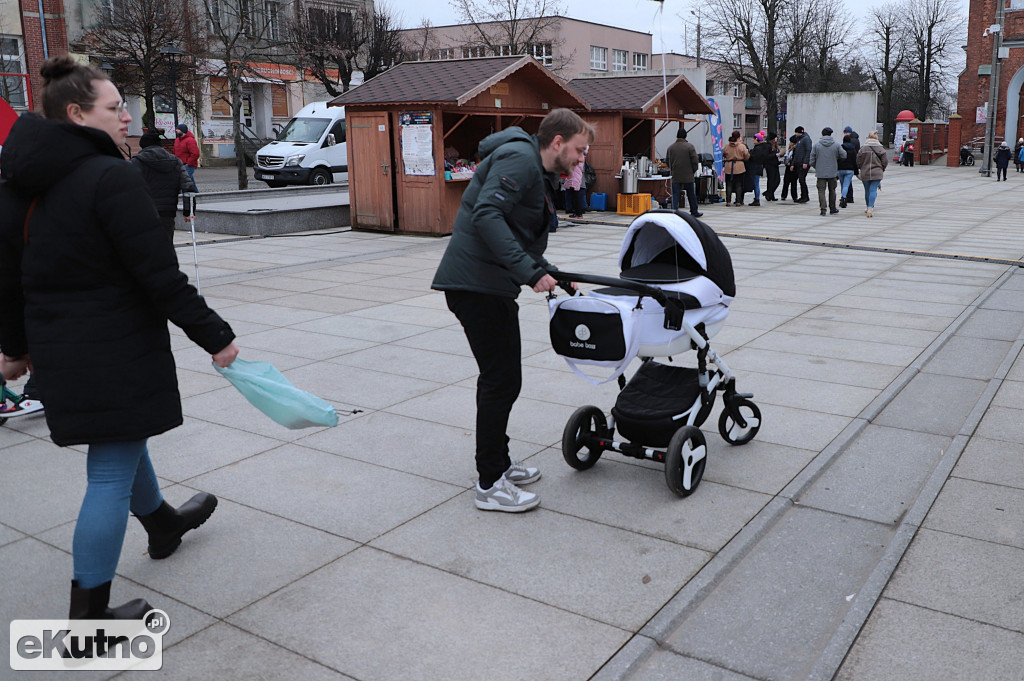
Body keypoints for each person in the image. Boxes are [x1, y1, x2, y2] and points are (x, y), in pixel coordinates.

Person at [0, 56, 240, 619]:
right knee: (109, 468)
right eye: (115, 108)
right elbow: (159, 274)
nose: (128, 118)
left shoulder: (17, 184)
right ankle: (88, 618)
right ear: (78, 113)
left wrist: (14, 347)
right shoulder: (110, 177)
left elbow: (7, 278)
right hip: (117, 349)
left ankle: (163, 523)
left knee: (122, 441)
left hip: (63, 350)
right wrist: (217, 337)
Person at [431, 108, 592, 513]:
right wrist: (529, 273)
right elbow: (487, 215)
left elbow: (519, 238)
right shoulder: (521, 159)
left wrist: (554, 274)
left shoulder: (533, 170)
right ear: (557, 142)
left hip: (487, 284)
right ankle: (490, 483)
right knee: (500, 382)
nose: (580, 158)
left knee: (504, 380)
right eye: (578, 150)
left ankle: (499, 464)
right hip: (477, 286)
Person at [131, 131, 197, 240]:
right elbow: (188, 187)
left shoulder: (137, 162)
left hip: (144, 211)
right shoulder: (175, 161)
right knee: (166, 245)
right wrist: (188, 211)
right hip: (168, 212)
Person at [665, 126, 702, 217]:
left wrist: (673, 169)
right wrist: (693, 170)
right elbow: (695, 161)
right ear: (685, 136)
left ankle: (674, 211)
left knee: (675, 194)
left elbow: (667, 161)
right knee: (691, 194)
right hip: (688, 175)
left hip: (676, 175)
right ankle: (694, 211)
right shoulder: (690, 147)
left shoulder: (671, 148)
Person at [809, 126, 846, 216]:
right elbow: (844, 155)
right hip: (832, 172)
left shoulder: (817, 145)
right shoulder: (836, 145)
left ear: (822, 134)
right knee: (832, 190)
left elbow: (811, 160)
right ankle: (832, 208)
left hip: (820, 172)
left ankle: (823, 209)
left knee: (821, 190)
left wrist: (817, 167)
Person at [856, 130, 888, 217]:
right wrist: (882, 169)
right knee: (873, 190)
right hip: (877, 172)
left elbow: (858, 161)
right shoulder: (881, 149)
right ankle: (870, 207)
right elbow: (885, 161)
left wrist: (861, 167)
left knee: (867, 190)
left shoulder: (863, 149)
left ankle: (867, 207)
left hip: (865, 172)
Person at [722, 130, 750, 207]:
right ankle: (738, 201)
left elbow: (723, 153)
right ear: (738, 137)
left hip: (728, 166)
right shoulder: (742, 146)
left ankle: (728, 201)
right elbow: (747, 156)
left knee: (729, 184)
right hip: (739, 166)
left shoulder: (727, 146)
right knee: (739, 184)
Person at [746, 131, 772, 206]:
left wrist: (750, 154)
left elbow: (754, 157)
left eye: (754, 139)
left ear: (757, 139)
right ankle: (756, 198)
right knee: (756, 184)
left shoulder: (758, 149)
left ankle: (757, 199)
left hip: (755, 167)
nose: (753, 140)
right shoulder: (763, 147)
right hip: (759, 167)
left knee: (756, 184)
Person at [563, 144, 588, 218]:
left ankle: (579, 213)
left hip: (574, 174)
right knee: (574, 194)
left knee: (576, 194)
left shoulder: (579, 155)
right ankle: (577, 212)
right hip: (573, 175)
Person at [173, 123, 200, 188]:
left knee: (183, 182)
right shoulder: (177, 140)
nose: (176, 131)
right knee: (190, 182)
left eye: (178, 129)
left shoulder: (190, 140)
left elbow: (195, 153)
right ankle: (196, 195)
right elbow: (175, 152)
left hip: (188, 165)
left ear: (183, 130)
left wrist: (189, 164)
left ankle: (181, 196)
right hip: (180, 165)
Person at [791, 125, 813, 202]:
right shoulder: (799, 140)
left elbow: (808, 150)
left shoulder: (806, 139)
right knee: (800, 180)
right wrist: (793, 164)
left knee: (801, 179)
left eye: (796, 133)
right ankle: (803, 196)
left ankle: (805, 196)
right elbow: (796, 153)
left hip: (803, 163)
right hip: (798, 163)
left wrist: (805, 162)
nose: (795, 134)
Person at [837, 133, 858, 209]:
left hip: (840, 169)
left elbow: (837, 159)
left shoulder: (840, 148)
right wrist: (856, 171)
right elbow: (855, 161)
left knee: (843, 185)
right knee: (846, 185)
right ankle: (844, 198)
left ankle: (843, 197)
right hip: (850, 169)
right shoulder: (853, 149)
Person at [842, 126, 860, 204]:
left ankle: (847, 197)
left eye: (846, 133)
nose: (845, 134)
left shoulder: (851, 141)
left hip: (848, 163)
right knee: (848, 182)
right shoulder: (855, 139)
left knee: (846, 183)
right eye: (844, 133)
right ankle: (848, 197)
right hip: (852, 164)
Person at [764, 132, 781, 201]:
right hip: (769, 165)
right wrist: (775, 155)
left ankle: (769, 193)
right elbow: (767, 156)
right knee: (771, 180)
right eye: (775, 138)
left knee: (777, 180)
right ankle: (769, 194)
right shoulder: (768, 146)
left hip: (775, 164)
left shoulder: (775, 145)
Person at [780, 136, 798, 201]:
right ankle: (784, 195)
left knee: (793, 182)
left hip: (793, 167)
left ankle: (794, 196)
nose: (789, 143)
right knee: (786, 182)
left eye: (790, 142)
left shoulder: (795, 149)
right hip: (788, 167)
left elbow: (794, 158)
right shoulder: (790, 150)